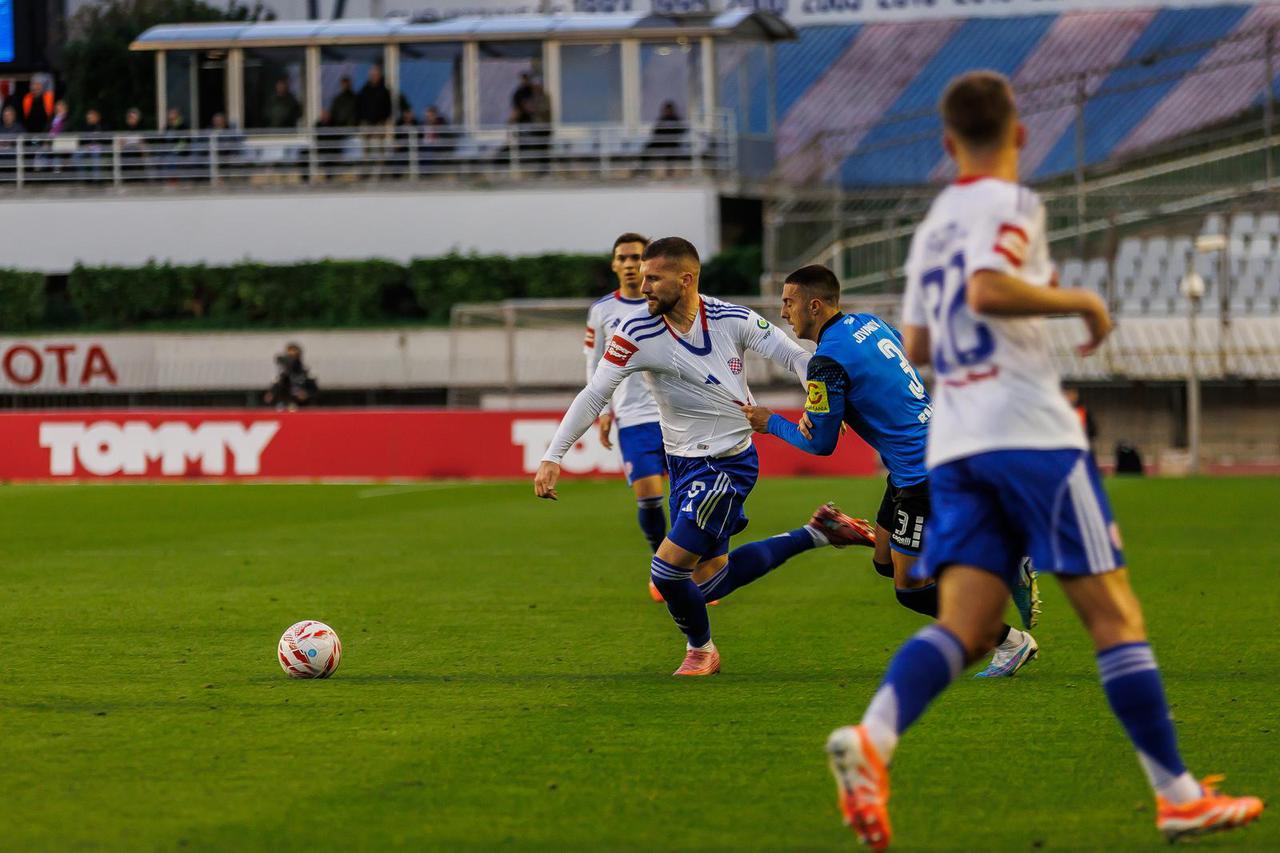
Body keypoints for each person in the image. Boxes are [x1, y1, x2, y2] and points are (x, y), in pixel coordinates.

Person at [823, 70, 1263, 850]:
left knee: (966, 623)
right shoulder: (1012, 201)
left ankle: (873, 738)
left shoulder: (932, 226)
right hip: (1029, 434)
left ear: (947, 142)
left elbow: (919, 342)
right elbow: (989, 290)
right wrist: (1082, 303)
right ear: (1020, 133)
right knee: (1114, 615)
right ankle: (1178, 795)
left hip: (957, 445)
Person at [534, 237, 876, 676]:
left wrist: (821, 403)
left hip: (726, 464)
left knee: (666, 571)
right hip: (682, 464)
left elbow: (794, 356)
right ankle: (818, 532)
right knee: (711, 580)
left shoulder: (732, 318)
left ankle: (701, 650)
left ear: (686, 279)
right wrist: (553, 455)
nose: (644, 285)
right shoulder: (635, 332)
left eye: (654, 277)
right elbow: (595, 393)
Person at [744, 264, 1040, 677]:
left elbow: (821, 444)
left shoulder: (826, 362)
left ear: (814, 306)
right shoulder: (869, 323)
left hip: (923, 473)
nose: (782, 312)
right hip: (923, 458)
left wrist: (770, 423)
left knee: (910, 589)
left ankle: (1009, 639)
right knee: (884, 561)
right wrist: (837, 407)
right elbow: (892, 363)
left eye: (788, 302)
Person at [585, 234, 670, 602]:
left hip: (676, 413)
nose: (631, 264)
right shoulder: (602, 311)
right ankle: (664, 565)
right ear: (614, 264)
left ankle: (694, 566)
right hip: (633, 417)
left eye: (637, 257)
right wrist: (602, 410)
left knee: (690, 499)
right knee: (649, 499)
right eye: (624, 258)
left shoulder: (668, 301)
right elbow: (594, 364)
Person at [264, 343, 318, 410]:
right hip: (285, 407)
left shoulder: (306, 374)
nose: (291, 359)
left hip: (302, 408)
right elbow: (273, 393)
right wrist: (271, 394)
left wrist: (306, 394)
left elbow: (314, 392)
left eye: (294, 356)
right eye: (289, 356)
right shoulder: (283, 376)